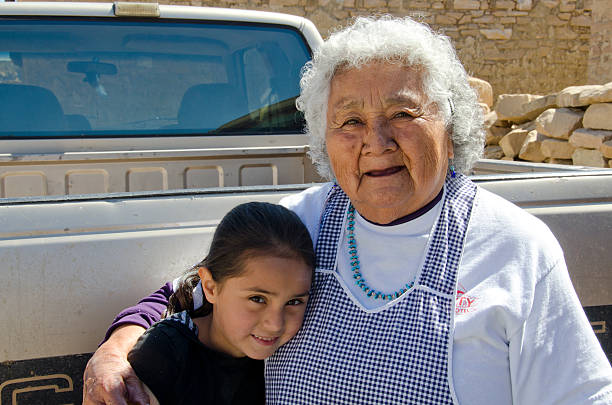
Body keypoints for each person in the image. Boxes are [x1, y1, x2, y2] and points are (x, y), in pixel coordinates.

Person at [83, 16, 612, 405]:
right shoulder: (300, 223)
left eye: (403, 113)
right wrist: (118, 347)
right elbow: (190, 291)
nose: (376, 141)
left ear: (449, 130)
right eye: (350, 121)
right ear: (325, 140)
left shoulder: (515, 245)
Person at [123, 202, 314, 405]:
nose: (275, 324)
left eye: (294, 302)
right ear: (210, 287)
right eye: (257, 299)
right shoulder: (164, 352)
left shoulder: (287, 355)